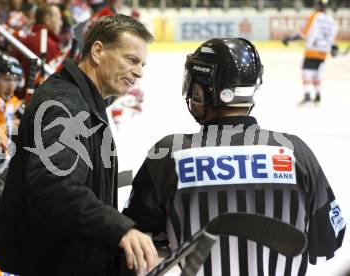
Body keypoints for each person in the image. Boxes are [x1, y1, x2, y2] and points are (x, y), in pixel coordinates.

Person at [123, 38, 346, 276]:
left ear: (200, 91)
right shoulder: (295, 151)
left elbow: (137, 241)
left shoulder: (169, 153)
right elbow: (327, 242)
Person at [0, 14, 156, 276]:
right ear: (98, 51)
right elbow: (53, 182)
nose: (138, 72)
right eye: (131, 60)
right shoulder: (63, 103)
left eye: (142, 64)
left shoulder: (83, 99)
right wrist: (118, 229)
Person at [282, 0, 338, 104]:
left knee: (306, 73)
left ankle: (307, 95)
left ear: (318, 6)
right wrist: (334, 48)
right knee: (317, 74)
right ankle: (318, 95)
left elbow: (303, 33)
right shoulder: (331, 21)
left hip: (312, 50)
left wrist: (289, 38)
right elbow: (333, 41)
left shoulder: (314, 16)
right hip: (323, 53)